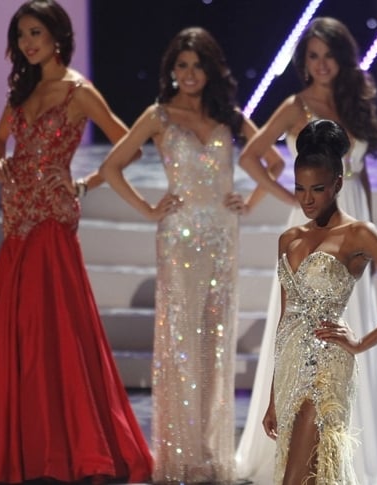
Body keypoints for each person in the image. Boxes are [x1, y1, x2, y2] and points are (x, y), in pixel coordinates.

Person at [0, 1, 152, 483]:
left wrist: (82, 184)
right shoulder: (23, 90)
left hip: (52, 221)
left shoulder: (79, 92)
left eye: (35, 33)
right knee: (12, 326)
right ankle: (15, 441)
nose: (27, 43)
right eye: (21, 36)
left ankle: (58, 446)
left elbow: (130, 144)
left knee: (47, 329)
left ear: (58, 36)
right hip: (15, 220)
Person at [100, 27, 284, 484]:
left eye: (196, 65)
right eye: (180, 66)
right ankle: (180, 456)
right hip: (178, 237)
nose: (188, 74)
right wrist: (148, 207)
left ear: (210, 69)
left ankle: (208, 453)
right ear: (171, 71)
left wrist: (252, 200)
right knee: (181, 344)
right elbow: (111, 166)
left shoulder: (229, 116)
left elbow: (275, 163)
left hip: (222, 235)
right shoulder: (159, 116)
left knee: (213, 345)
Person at [235, 17, 377, 484]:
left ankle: (350, 457)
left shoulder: (356, 102)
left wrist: (375, 229)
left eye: (328, 55)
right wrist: (290, 198)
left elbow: (361, 173)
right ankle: (292, 439)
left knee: (351, 328)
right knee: (301, 328)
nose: (321, 64)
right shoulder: (295, 105)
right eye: (312, 56)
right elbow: (250, 155)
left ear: (342, 59)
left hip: (355, 227)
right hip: (310, 226)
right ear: (303, 63)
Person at [265, 118, 377, 484]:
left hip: (327, 366)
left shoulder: (359, 234)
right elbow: (284, 318)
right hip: (290, 363)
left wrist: (359, 344)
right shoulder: (288, 238)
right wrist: (273, 397)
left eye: (317, 189)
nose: (307, 199)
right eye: (300, 188)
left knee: (294, 479)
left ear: (338, 183)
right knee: (313, 475)